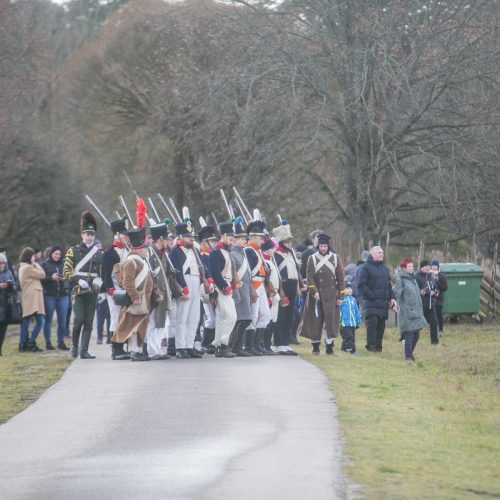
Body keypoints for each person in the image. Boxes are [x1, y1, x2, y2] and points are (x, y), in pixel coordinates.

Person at [63, 211, 103, 359]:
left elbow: (101, 273)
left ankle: (84, 350)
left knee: (89, 321)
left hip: (93, 290)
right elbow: (66, 270)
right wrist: (78, 280)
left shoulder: (99, 253)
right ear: (82, 235)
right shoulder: (73, 251)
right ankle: (74, 345)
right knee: (79, 320)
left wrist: (102, 290)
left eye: (92, 234)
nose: (89, 237)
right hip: (78, 289)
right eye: (87, 234)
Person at [113, 227, 155, 361]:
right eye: (145, 248)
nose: (147, 250)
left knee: (140, 326)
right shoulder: (130, 261)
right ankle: (134, 352)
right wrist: (135, 296)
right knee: (133, 327)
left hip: (144, 299)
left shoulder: (142, 261)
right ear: (140, 249)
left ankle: (138, 350)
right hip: (136, 299)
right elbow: (128, 282)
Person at [299, 233, 344, 355]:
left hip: (331, 295)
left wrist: (340, 296)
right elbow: (309, 278)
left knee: (331, 322)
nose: (323, 248)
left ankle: (329, 348)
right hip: (316, 296)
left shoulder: (335, 258)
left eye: (325, 246)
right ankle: (315, 347)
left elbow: (340, 279)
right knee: (315, 322)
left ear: (328, 246)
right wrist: (314, 291)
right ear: (318, 246)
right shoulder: (312, 258)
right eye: (321, 246)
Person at [169, 210, 204, 359]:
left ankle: (190, 346)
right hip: (185, 283)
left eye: (192, 237)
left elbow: (201, 267)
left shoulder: (194, 250)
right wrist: (183, 288)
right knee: (181, 318)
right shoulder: (175, 251)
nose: (191, 239)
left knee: (194, 317)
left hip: (196, 282)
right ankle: (180, 347)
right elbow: (176, 272)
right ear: (181, 237)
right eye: (188, 237)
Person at [208, 221, 239, 358]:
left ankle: (219, 346)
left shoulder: (226, 251)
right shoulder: (216, 252)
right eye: (231, 239)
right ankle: (224, 344)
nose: (232, 242)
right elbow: (214, 273)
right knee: (231, 316)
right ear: (224, 236)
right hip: (221, 288)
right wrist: (224, 287)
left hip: (226, 287)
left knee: (222, 317)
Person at [357, 246, 396, 352]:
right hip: (371, 303)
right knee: (372, 325)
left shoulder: (385, 269)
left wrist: (392, 298)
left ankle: (378, 348)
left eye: (382, 253)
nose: (381, 254)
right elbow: (361, 285)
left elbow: (389, 285)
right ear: (372, 254)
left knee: (381, 327)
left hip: (383, 304)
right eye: (379, 253)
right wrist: (372, 296)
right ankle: (371, 347)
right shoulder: (365, 267)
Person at [273, 219, 302, 356]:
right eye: (286, 241)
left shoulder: (291, 254)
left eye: (289, 241)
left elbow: (296, 271)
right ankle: (279, 343)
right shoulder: (276, 255)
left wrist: (301, 285)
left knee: (289, 315)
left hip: (292, 287)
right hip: (282, 287)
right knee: (281, 316)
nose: (289, 243)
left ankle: (285, 342)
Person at [101, 217, 129, 359]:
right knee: (116, 318)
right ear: (117, 235)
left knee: (124, 319)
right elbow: (105, 274)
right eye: (125, 235)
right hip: (114, 290)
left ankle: (122, 347)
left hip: (126, 288)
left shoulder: (127, 250)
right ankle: (116, 350)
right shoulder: (109, 252)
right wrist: (110, 289)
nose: (127, 238)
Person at [146, 222, 173, 360]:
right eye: (166, 239)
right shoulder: (150, 253)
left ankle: (157, 348)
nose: (169, 241)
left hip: (163, 293)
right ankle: (152, 350)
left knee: (161, 323)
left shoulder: (163, 254)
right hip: (154, 294)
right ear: (160, 239)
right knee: (153, 323)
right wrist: (155, 292)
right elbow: (150, 275)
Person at [244, 215, 270, 356]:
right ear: (253, 237)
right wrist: (252, 288)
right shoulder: (248, 251)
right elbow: (247, 272)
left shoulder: (257, 251)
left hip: (260, 285)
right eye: (260, 238)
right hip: (253, 286)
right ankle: (249, 346)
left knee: (265, 315)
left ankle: (256, 344)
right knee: (252, 317)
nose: (262, 241)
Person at [394, 258, 428, 361]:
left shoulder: (412, 279)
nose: (411, 268)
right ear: (404, 268)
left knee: (416, 335)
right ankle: (408, 357)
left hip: (415, 311)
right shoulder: (400, 279)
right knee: (409, 334)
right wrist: (397, 305)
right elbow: (397, 294)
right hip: (406, 311)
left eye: (412, 266)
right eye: (409, 267)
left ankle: (409, 354)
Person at [229, 219, 254, 356]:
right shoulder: (233, 253)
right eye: (242, 238)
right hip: (238, 292)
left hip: (245, 292)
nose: (245, 240)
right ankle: (234, 346)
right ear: (235, 239)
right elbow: (233, 276)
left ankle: (238, 346)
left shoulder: (242, 252)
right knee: (239, 320)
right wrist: (235, 293)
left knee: (245, 319)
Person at [41, 244, 70, 350]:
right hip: (49, 295)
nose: (57, 256)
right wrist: (51, 278)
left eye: (59, 254)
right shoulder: (44, 265)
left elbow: (70, 278)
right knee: (48, 320)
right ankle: (48, 343)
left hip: (63, 296)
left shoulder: (65, 264)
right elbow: (40, 279)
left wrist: (65, 279)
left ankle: (61, 342)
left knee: (62, 321)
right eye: (55, 254)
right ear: (51, 254)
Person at [18, 247, 46, 353]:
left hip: (28, 297)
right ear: (29, 257)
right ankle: (31, 342)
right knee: (39, 322)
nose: (34, 257)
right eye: (33, 256)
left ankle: (23, 344)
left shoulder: (23, 267)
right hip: (32, 298)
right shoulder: (28, 268)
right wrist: (36, 264)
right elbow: (42, 274)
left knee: (26, 322)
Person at [197, 219, 218, 354]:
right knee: (211, 317)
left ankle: (209, 343)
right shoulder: (202, 256)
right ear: (204, 243)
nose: (215, 243)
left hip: (214, 288)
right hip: (206, 289)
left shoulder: (211, 254)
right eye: (212, 241)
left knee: (214, 317)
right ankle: (205, 343)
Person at [415, 259, 439, 345]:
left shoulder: (430, 277)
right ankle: (409, 338)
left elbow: (435, 286)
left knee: (434, 322)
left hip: (431, 305)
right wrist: (427, 292)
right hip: (421, 305)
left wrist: (436, 292)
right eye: (426, 266)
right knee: (418, 324)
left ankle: (434, 341)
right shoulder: (417, 277)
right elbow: (417, 290)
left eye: (429, 266)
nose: (428, 268)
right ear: (421, 267)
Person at [0, 253, 17, 356]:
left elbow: (15, 286)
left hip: (6, 304)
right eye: (0, 263)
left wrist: (10, 285)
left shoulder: (8, 272)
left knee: (3, 328)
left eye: (3, 263)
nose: (1, 265)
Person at [339, 280, 361, 354]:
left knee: (351, 337)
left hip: (352, 324)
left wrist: (358, 321)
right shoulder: (342, 300)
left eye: (350, 288)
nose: (349, 289)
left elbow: (356, 311)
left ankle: (343, 349)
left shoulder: (353, 299)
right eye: (347, 288)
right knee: (349, 337)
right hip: (345, 323)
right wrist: (339, 322)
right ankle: (352, 351)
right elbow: (338, 312)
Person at [431, 259, 448, 337]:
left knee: (439, 315)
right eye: (432, 266)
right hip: (430, 298)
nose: (434, 267)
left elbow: (445, 287)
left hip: (439, 299)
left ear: (438, 267)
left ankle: (440, 330)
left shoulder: (442, 276)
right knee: (432, 316)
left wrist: (436, 282)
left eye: (435, 266)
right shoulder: (428, 275)